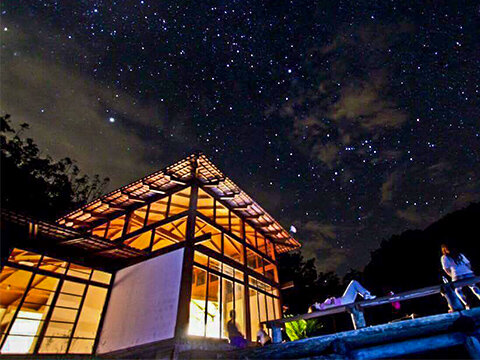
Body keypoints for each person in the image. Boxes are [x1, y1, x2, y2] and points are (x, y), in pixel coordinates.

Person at [440, 244, 480, 309]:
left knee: (457, 290)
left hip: (457, 274)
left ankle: (466, 304)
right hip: (468, 273)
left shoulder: (444, 257)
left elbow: (446, 269)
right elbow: (468, 264)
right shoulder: (459, 254)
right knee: (473, 287)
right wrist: (469, 271)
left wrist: (452, 276)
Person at [310, 280, 376, 311]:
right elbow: (333, 306)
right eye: (314, 304)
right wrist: (332, 300)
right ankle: (366, 295)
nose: (316, 303)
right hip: (344, 301)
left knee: (355, 286)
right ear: (316, 307)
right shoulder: (322, 306)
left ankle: (366, 295)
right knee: (353, 283)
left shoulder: (322, 305)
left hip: (344, 300)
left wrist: (332, 300)